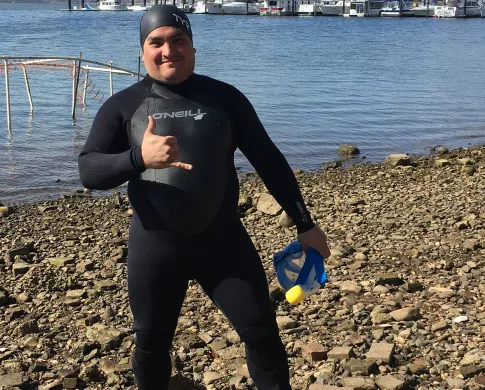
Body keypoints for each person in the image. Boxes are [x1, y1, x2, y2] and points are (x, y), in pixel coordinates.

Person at [78, 5, 330, 390]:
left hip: (222, 241)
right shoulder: (123, 106)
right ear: (142, 51)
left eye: (178, 40)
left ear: (193, 47)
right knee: (150, 343)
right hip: (156, 246)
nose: (168, 50)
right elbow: (89, 171)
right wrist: (138, 158)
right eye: (156, 42)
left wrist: (305, 224)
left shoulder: (225, 99)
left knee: (261, 332)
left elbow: (269, 160)